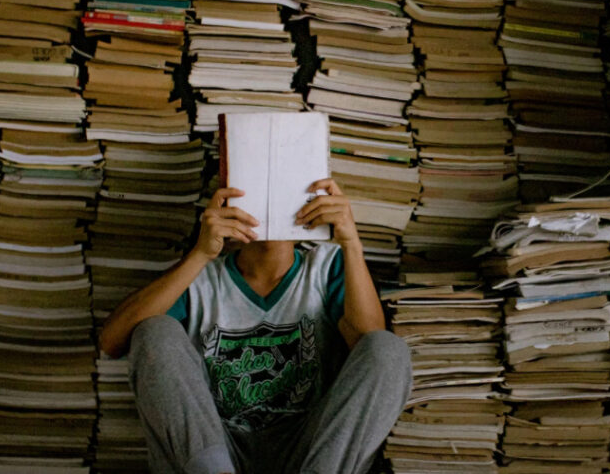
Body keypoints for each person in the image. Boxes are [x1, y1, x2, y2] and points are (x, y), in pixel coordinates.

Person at [99, 178, 412, 474]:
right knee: (154, 331)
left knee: (388, 347)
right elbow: (113, 342)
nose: (269, 205)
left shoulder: (326, 266)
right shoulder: (200, 277)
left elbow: (371, 352)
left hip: (310, 452)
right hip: (214, 449)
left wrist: (351, 243)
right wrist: (201, 253)